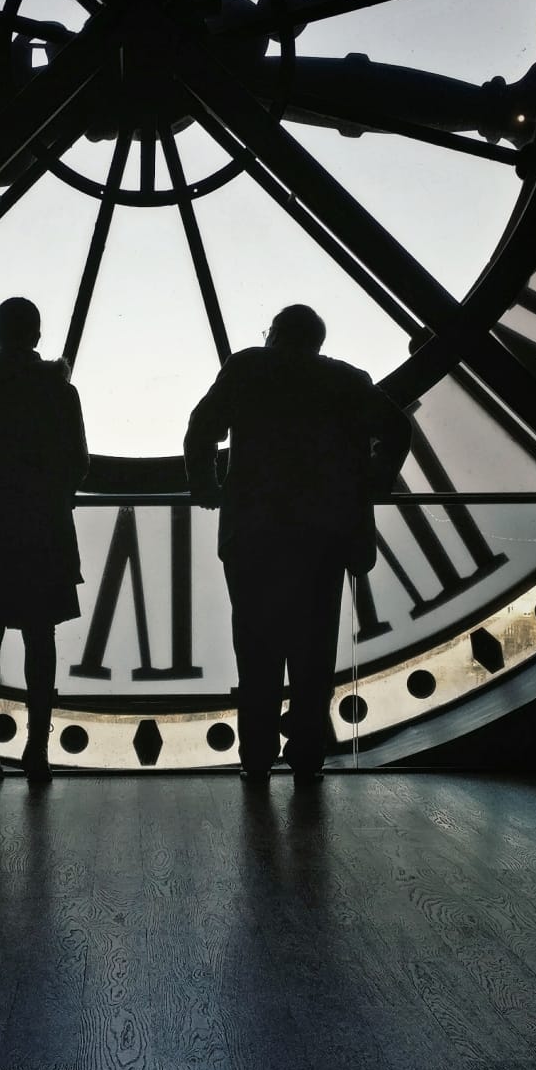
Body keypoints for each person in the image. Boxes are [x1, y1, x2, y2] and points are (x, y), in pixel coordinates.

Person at [184, 304, 411, 781]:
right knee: (314, 654)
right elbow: (396, 428)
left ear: (274, 335)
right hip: (323, 538)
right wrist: (375, 478)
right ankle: (307, 754)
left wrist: (206, 486)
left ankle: (257, 757)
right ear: (317, 341)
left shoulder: (247, 369)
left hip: (255, 535)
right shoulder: (347, 381)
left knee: (256, 650)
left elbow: (202, 427)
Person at [0, 298, 89, 783]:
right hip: (43, 533)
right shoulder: (59, 394)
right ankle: (38, 750)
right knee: (39, 643)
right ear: (37, 334)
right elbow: (77, 465)